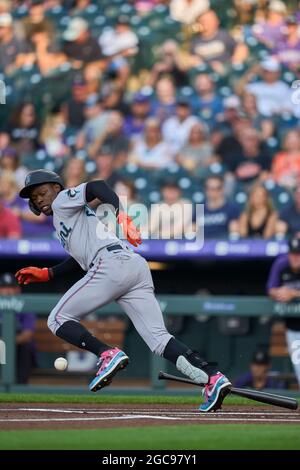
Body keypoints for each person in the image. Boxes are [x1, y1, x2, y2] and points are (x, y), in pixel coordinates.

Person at [16, 169, 232, 412]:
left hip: (110, 265)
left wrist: (121, 214)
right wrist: (48, 273)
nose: (40, 199)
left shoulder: (63, 199)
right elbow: (80, 258)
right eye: (34, 198)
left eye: (42, 192)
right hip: (132, 266)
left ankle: (107, 354)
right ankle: (212, 377)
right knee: (159, 340)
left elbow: (97, 185)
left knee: (57, 318)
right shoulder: (64, 216)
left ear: (56, 188)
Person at [267, 235, 300, 388]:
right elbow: (270, 289)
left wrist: (293, 293)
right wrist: (279, 292)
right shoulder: (282, 263)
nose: (295, 258)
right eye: (293, 253)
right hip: (293, 327)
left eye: (298, 254)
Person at [0, 273, 36, 384]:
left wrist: (7, 343)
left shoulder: (25, 306)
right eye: (4, 287)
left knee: (27, 347)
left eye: (11, 287)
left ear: (18, 289)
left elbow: (27, 334)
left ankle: (21, 386)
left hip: (18, 347)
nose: (8, 291)